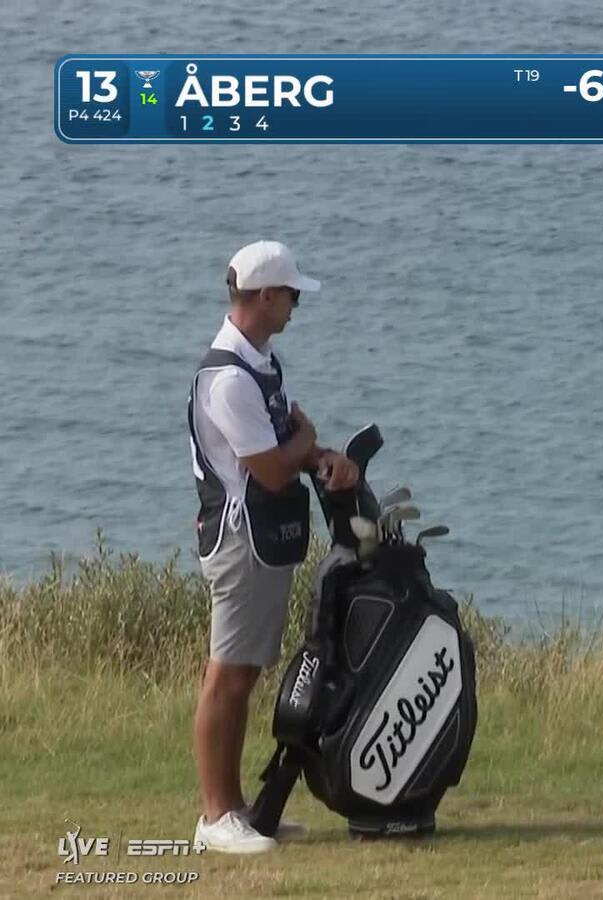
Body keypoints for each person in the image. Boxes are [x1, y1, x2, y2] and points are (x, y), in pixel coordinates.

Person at [186, 240, 359, 853]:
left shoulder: (260, 361)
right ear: (264, 296)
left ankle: (238, 809)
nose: (294, 306)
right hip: (240, 540)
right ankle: (215, 817)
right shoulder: (230, 378)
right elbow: (271, 470)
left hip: (263, 536)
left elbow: (284, 441)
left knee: (244, 673)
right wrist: (306, 440)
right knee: (226, 678)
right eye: (289, 296)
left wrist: (319, 452)